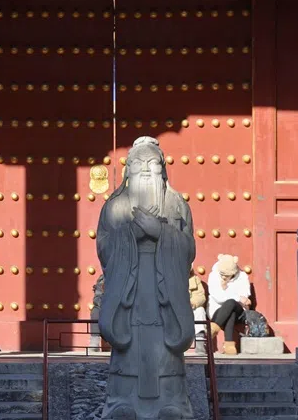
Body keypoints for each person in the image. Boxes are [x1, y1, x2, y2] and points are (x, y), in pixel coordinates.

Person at [97, 136, 196, 419]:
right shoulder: (115, 206)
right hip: (130, 288)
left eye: (151, 164)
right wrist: (129, 236)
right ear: (127, 170)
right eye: (137, 164)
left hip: (163, 289)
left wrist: (160, 232)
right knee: (129, 348)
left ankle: (173, 401)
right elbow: (104, 247)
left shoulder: (177, 205)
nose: (144, 170)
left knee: (166, 347)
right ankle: (120, 401)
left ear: (163, 169)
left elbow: (188, 248)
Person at [208, 254, 252, 355]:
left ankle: (212, 330)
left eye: (227, 275)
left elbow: (244, 296)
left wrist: (226, 289)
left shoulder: (242, 277)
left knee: (231, 303)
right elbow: (218, 297)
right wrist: (237, 297)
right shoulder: (214, 275)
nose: (224, 277)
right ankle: (229, 346)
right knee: (230, 311)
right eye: (222, 274)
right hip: (218, 311)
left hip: (239, 311)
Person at [188, 269, 209, 354]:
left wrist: (193, 303)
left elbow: (201, 297)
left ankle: (200, 343)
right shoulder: (168, 278)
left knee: (200, 311)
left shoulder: (195, 279)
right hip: (175, 309)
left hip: (190, 306)